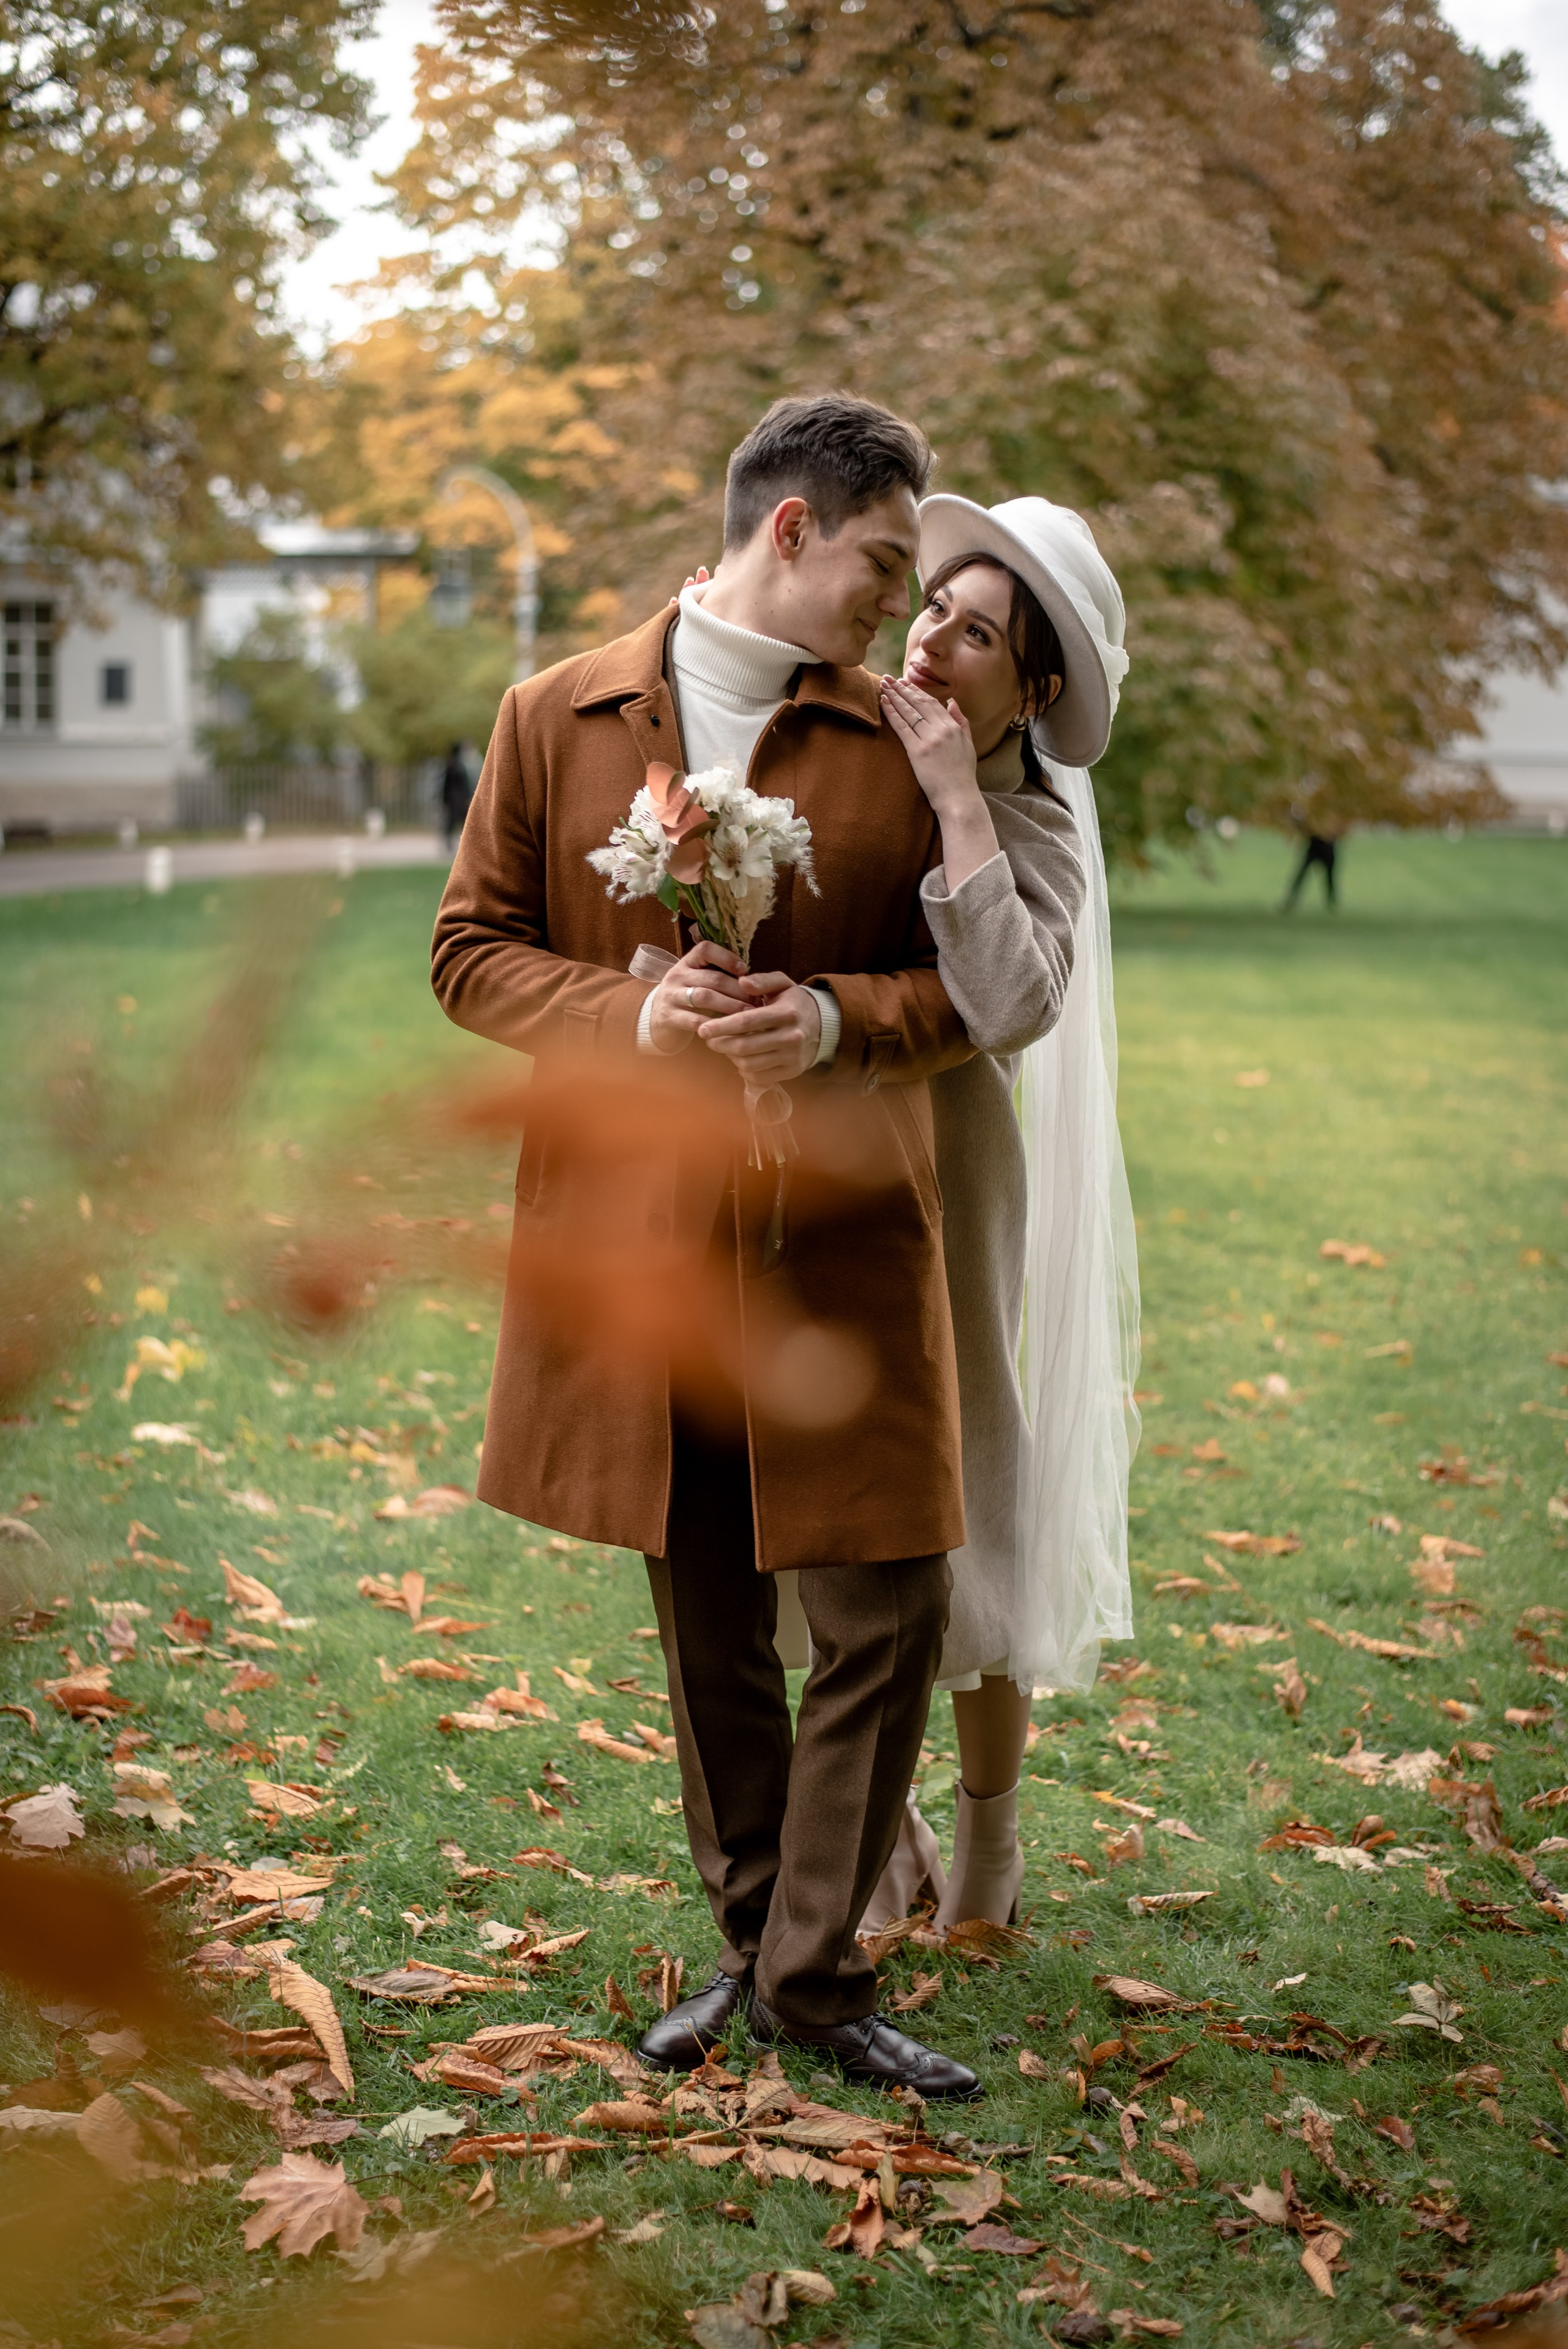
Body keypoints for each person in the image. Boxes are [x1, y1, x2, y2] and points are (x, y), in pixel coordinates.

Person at [431, 393, 984, 2100]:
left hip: (844, 1229)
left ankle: (817, 1973)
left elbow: (972, 988)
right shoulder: (554, 711)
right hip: (644, 1241)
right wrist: (628, 1010)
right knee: (709, 1610)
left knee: (889, 1600)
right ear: (796, 530)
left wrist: (827, 1020)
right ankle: (764, 1952)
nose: (903, 606)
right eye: (887, 562)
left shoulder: (906, 737)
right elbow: (467, 954)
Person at [855, 495, 1140, 1931]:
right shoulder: (847, 745)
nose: (933, 641)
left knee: (967, 1504)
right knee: (840, 1520)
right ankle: (875, 1820)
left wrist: (957, 798)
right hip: (826, 1173)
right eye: (931, 609)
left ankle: (989, 1840)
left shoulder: (1028, 823)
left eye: (975, 633)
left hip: (951, 1183)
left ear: (1027, 688)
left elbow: (1012, 1002)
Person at [1281, 825, 1340, 911]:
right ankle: (1291, 899)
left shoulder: (1331, 818)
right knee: (1300, 876)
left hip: (1327, 849)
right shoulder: (1313, 816)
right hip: (1314, 847)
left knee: (1329, 879)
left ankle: (1331, 902)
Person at [440, 741, 473, 851]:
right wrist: (468, 797)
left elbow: (446, 785)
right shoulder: (461, 766)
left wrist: (445, 798)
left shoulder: (450, 765)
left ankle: (453, 844)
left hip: (452, 799)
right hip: (460, 799)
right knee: (462, 822)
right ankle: (464, 844)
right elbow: (465, 784)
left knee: (452, 823)